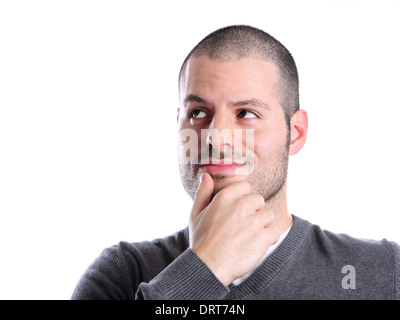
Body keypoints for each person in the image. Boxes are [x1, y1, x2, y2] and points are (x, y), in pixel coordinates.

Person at [71, 25, 400, 300]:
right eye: (198, 113)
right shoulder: (122, 274)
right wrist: (203, 269)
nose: (215, 137)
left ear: (295, 134)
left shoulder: (384, 271)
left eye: (246, 114)